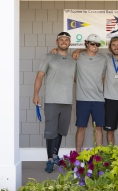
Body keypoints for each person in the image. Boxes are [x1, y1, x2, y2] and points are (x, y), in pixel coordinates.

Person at [72, 36, 118, 146]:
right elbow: (90, 51)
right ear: (110, 47)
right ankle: (109, 154)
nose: (116, 47)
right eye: (113, 45)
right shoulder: (105, 57)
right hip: (108, 100)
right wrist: (78, 50)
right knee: (109, 130)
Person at [33, 32, 76, 173]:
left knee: (60, 130)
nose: (64, 42)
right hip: (52, 100)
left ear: (70, 42)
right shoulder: (49, 57)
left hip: (67, 101)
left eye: (66, 40)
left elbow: (76, 78)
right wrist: (36, 94)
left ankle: (56, 156)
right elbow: (40, 76)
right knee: (50, 131)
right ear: (57, 42)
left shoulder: (73, 60)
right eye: (61, 40)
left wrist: (80, 51)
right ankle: (50, 159)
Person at [75, 34, 107, 152]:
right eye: (92, 43)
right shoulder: (78, 56)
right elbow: (74, 76)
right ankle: (77, 154)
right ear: (87, 43)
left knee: (98, 128)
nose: (95, 46)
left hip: (98, 99)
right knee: (81, 127)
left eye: (97, 44)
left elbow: (103, 77)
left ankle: (99, 155)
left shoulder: (103, 59)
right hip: (82, 98)